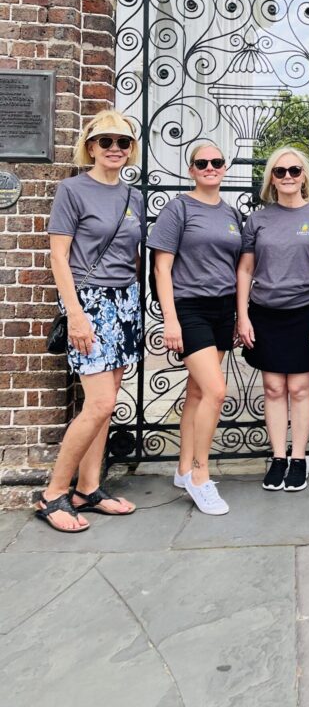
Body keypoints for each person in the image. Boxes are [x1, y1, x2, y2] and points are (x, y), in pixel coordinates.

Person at [39, 110, 144, 532]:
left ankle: (88, 488)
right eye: (106, 142)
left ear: (131, 149)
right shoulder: (72, 190)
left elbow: (134, 256)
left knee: (103, 405)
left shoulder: (132, 197)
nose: (114, 149)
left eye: (122, 142)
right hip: (91, 303)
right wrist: (76, 314)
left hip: (125, 301)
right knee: (100, 403)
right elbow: (58, 257)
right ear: (90, 147)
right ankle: (52, 494)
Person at [149, 142, 242, 516]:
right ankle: (200, 476)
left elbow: (237, 268)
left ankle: (183, 467)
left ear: (224, 167)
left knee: (198, 392)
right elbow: (161, 269)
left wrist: (237, 315)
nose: (209, 167)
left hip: (222, 309)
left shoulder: (232, 212)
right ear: (191, 170)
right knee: (217, 391)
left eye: (216, 162)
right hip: (190, 309)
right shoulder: (178, 209)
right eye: (202, 163)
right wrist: (170, 318)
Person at [236, 147, 309, 493]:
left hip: (307, 311)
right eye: (280, 171)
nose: (288, 176)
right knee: (274, 388)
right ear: (271, 178)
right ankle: (278, 457)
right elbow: (245, 269)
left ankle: (299, 458)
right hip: (265, 312)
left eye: (294, 170)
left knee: (299, 387)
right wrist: (243, 316)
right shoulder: (258, 220)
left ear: (304, 175)